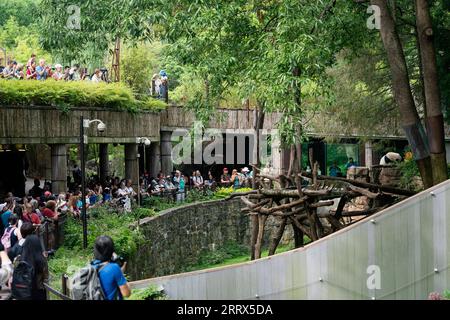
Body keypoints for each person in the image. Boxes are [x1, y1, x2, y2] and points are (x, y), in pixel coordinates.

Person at [91, 236, 131, 300]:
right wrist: (121, 272)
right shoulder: (114, 268)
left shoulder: (91, 266)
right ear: (111, 251)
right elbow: (126, 293)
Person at [17, 235, 49, 300]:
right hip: (39, 291)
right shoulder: (42, 260)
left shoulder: (20, 259)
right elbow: (46, 277)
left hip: (25, 291)